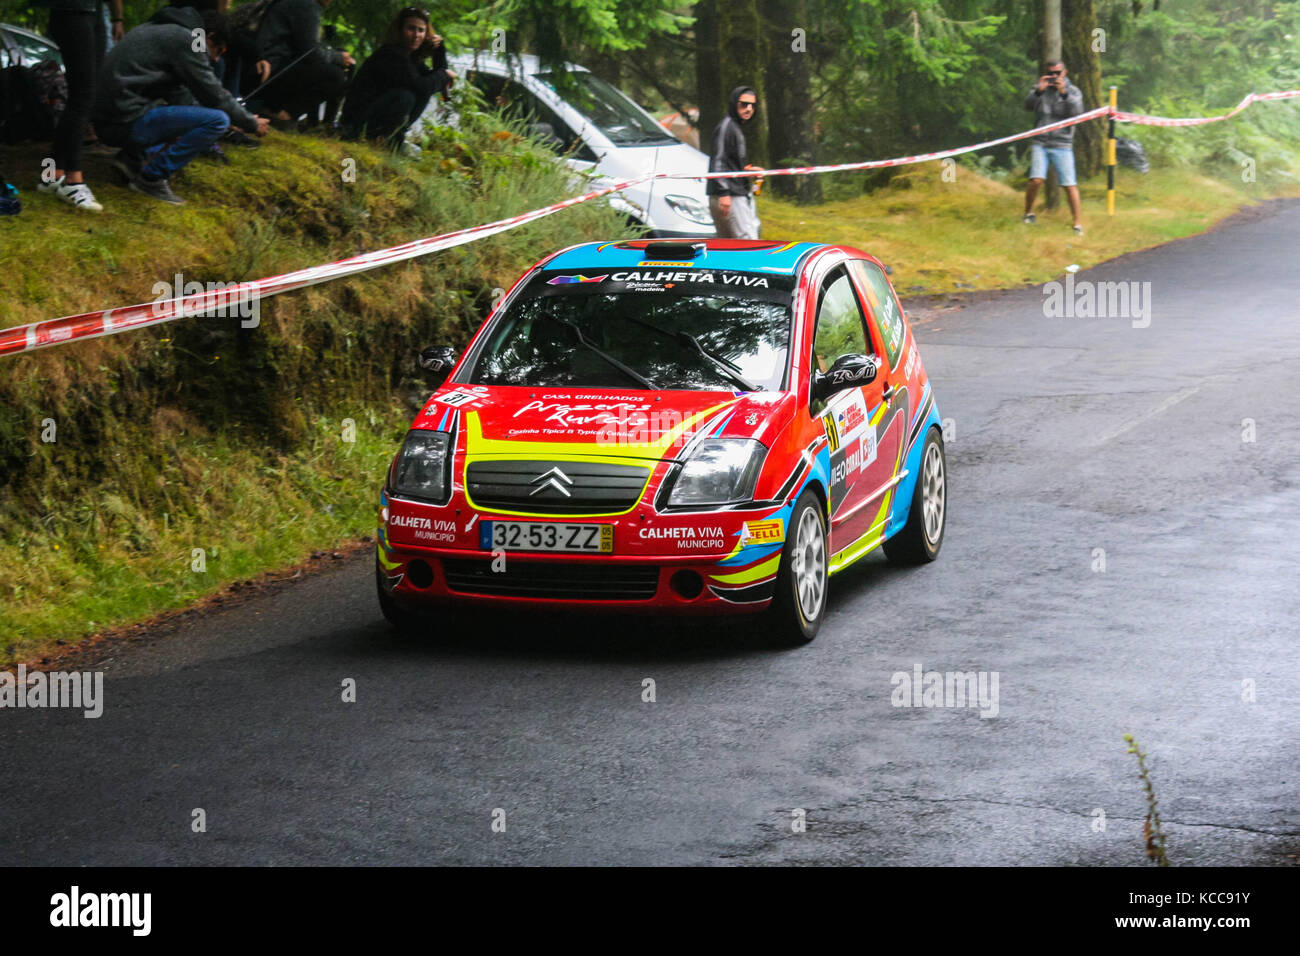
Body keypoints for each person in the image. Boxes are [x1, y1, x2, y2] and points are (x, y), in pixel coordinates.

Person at [92, 8, 270, 205]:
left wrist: (236, 120)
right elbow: (214, 94)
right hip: (121, 121)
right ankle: (151, 179)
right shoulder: (189, 40)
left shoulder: (161, 30)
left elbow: (180, 97)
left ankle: (130, 160)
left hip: (110, 118)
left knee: (208, 117)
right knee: (218, 121)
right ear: (209, 37)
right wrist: (250, 123)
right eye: (220, 50)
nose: (217, 59)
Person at [38, 0, 124, 213]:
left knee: (81, 96)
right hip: (72, 10)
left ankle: (51, 175)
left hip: (93, 10)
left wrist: (117, 17)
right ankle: (73, 181)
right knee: (83, 96)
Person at [339, 6, 455, 149]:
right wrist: (443, 75)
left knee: (421, 91)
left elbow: (431, 81)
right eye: (411, 28)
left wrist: (439, 50)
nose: (416, 35)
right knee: (406, 96)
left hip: (371, 115)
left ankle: (393, 139)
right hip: (355, 122)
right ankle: (379, 138)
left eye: (421, 30)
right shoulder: (391, 54)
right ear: (399, 30)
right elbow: (422, 85)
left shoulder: (410, 58)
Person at [248, 0, 354, 126]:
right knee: (335, 76)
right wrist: (338, 58)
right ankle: (283, 115)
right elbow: (311, 52)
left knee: (328, 66)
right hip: (269, 71)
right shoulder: (306, 5)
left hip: (264, 67)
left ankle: (313, 121)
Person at [1023, 59, 1085, 235]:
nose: (1054, 76)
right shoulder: (1040, 88)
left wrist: (1064, 93)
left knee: (1069, 184)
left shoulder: (1073, 91)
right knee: (1036, 180)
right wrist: (1037, 91)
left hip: (1062, 143)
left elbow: (1078, 114)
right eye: (1051, 73)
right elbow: (1027, 106)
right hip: (1041, 142)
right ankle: (1028, 213)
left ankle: (1077, 224)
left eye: (1058, 73)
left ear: (1064, 73)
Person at [707, 86, 761, 239]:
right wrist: (724, 193)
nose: (749, 109)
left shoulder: (734, 127)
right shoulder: (726, 127)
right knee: (748, 242)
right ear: (734, 104)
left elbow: (728, 162)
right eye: (744, 104)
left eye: (752, 105)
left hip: (732, 193)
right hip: (730, 196)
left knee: (728, 246)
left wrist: (747, 171)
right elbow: (717, 162)